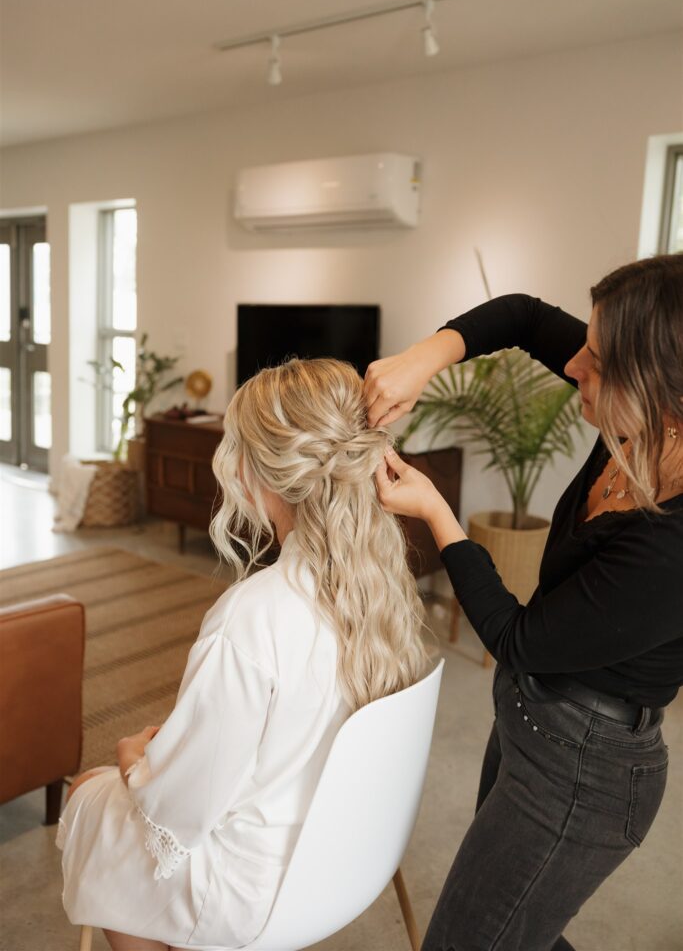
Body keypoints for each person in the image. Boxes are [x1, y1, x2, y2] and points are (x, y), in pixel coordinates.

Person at [366, 253, 683, 951]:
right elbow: (520, 317)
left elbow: (517, 637)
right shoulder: (639, 429)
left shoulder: (671, 548)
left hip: (585, 770)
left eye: (596, 360)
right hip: (531, 719)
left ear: (664, 394)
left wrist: (434, 511)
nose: (573, 365)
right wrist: (423, 360)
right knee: (519, 930)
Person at [58, 357, 427, 951]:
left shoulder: (252, 617)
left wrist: (133, 763)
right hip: (348, 856)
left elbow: (179, 811)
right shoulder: (380, 586)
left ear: (258, 473)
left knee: (90, 795)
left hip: (254, 892)